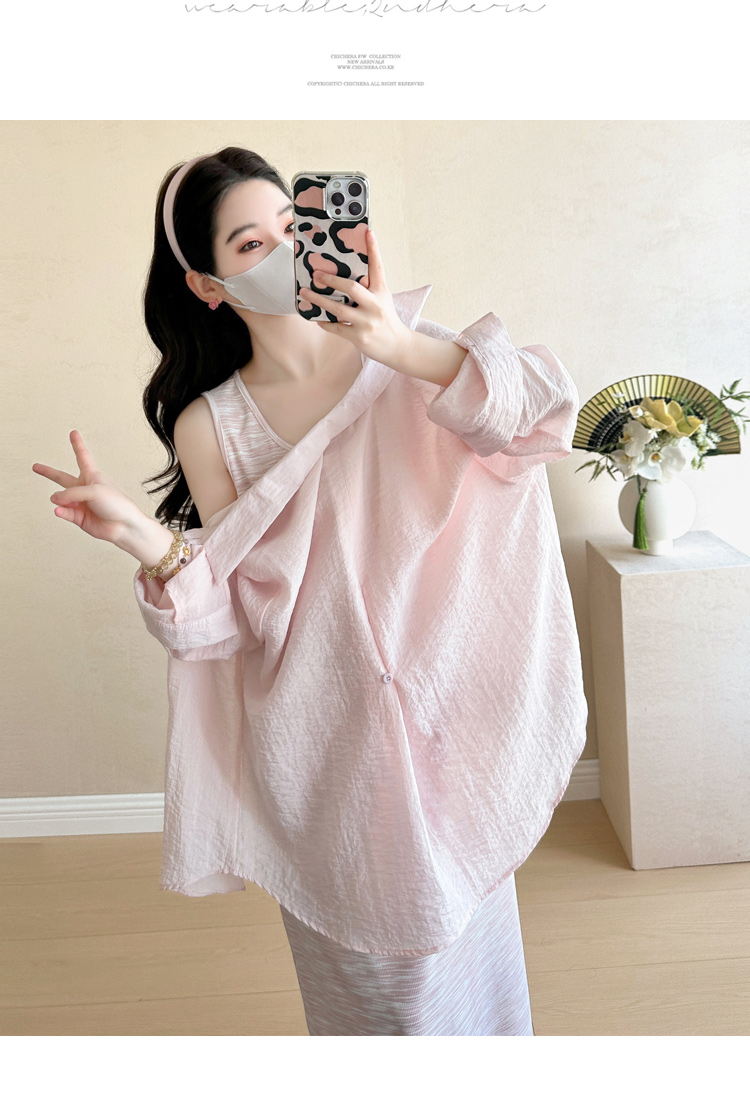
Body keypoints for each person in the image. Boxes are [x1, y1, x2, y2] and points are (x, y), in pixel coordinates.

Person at [33, 146, 588, 1036]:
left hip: (448, 728)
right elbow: (229, 617)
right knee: (373, 1003)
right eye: (250, 244)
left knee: (475, 989)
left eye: (293, 226)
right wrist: (141, 537)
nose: (285, 252)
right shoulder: (211, 425)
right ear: (208, 285)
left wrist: (401, 348)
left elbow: (540, 417)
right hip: (325, 745)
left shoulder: (409, 353)